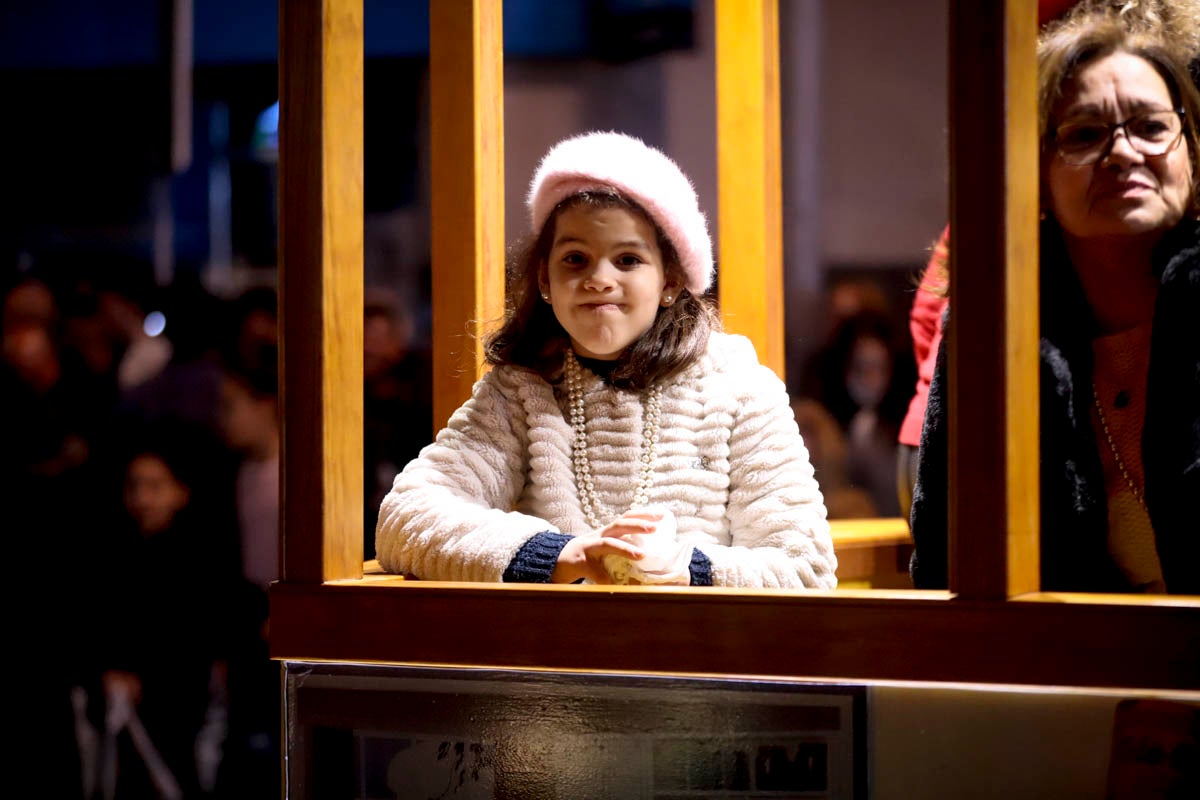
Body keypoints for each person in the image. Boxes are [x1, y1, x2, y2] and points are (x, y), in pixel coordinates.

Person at [375, 131, 837, 589]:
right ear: (544, 279)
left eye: (628, 260)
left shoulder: (739, 386)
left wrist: (685, 568)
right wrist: (562, 554)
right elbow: (405, 518)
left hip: (698, 657)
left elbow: (804, 566)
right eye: (575, 259)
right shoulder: (519, 390)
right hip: (558, 659)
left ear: (670, 280)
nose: (599, 279)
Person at [909, 10, 1200, 594]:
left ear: (1190, 148)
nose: (1123, 153)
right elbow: (947, 557)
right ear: (1033, 171)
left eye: (1149, 126)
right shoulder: (996, 329)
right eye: (1085, 135)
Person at [896, 226, 949, 524]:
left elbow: (925, 316)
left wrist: (930, 387)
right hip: (960, 444)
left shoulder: (970, 217)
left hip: (916, 439)